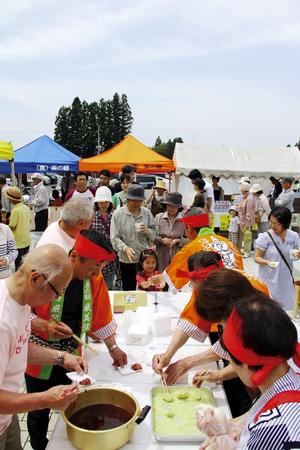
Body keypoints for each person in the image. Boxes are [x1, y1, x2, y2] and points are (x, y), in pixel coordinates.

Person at [27, 230, 127, 450]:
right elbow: (21, 308)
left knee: (73, 404)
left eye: (100, 269)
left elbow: (101, 315)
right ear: (73, 257)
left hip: (71, 356)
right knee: (38, 411)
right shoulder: (45, 271)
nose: (96, 274)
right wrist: (43, 325)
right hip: (38, 355)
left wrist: (113, 347)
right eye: (93, 268)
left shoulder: (94, 279)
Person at [0, 244, 87, 450]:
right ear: (35, 278)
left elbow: (18, 347)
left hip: (6, 419)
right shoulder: (2, 320)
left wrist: (61, 357)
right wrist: (45, 399)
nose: (57, 299)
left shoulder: (19, 302)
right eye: (57, 291)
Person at [197, 296, 300, 450]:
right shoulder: (290, 378)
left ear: (245, 364)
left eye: (230, 357)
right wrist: (228, 428)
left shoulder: (270, 432)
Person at [152, 252, 268, 387]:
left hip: (261, 359)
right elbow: (191, 319)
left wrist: (187, 363)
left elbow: (235, 342)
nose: (197, 291)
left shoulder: (249, 299)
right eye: (193, 286)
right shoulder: (206, 284)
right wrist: (167, 355)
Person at [151, 207, 243, 294]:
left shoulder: (192, 249)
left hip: (216, 297)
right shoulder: (230, 244)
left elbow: (172, 278)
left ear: (188, 228)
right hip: (243, 291)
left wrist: (161, 278)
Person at [110, 184, 156, 290]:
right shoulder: (118, 214)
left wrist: (148, 231)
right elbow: (114, 238)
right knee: (129, 290)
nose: (137, 203)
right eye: (134, 200)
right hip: (126, 260)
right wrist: (125, 248)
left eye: (139, 201)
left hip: (145, 261)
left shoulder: (146, 213)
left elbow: (155, 234)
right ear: (127, 199)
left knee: (146, 289)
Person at [254, 206, 300, 310]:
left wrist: (297, 255)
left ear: (285, 223)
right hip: (268, 279)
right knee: (269, 307)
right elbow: (257, 258)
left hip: (285, 278)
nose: (273, 226)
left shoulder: (293, 236)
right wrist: (268, 262)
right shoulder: (265, 237)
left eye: (277, 223)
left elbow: (294, 255)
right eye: (271, 222)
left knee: (285, 307)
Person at [155, 192, 186, 272]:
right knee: (162, 279)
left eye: (174, 206)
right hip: (161, 256)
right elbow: (152, 236)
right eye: (169, 206)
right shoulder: (159, 217)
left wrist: (178, 241)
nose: (171, 208)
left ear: (179, 207)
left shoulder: (185, 219)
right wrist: (162, 240)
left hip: (178, 256)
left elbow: (191, 239)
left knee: (176, 279)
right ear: (166, 205)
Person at [92, 186, 115, 289]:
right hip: (96, 256)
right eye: (101, 202)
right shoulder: (92, 215)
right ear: (96, 202)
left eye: (106, 202)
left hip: (111, 254)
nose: (103, 204)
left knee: (108, 286)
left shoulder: (115, 215)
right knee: (95, 286)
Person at [6, 186, 31, 270]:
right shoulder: (26, 208)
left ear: (12, 200)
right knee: (24, 263)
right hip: (27, 240)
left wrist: (7, 223)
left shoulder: (15, 210)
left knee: (18, 265)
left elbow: (12, 226)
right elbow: (29, 221)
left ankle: (19, 281)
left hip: (18, 242)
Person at [237, 182, 255, 258]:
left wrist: (247, 224)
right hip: (242, 220)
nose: (240, 191)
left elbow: (249, 212)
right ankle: (243, 249)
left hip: (246, 221)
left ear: (244, 190)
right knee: (243, 236)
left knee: (247, 236)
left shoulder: (250, 198)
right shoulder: (244, 197)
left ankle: (247, 251)